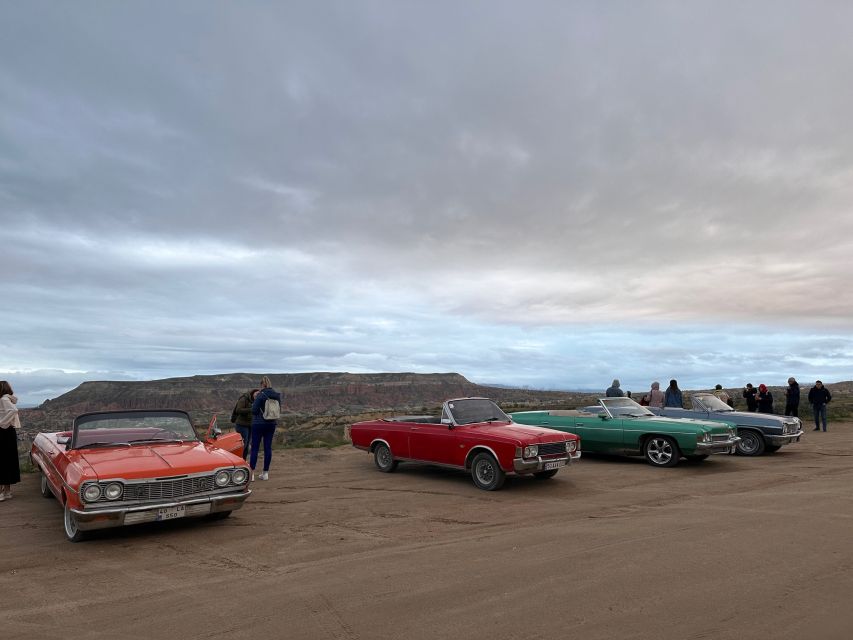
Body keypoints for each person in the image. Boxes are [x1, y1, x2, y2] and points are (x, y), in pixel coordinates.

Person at [250, 376, 282, 480]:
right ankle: (265, 473)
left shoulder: (261, 395)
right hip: (271, 424)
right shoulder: (276, 395)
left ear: (263, 384)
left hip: (258, 424)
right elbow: (278, 410)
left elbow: (254, 410)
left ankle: (252, 474)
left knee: (255, 448)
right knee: (267, 448)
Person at [0, 380, 22, 502]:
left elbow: (13, 411)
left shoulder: (3, 399)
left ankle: (1, 493)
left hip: (3, 433)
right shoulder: (7, 399)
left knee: (2, 461)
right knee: (7, 461)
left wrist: (1, 424)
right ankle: (7, 492)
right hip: (8, 433)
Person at [232, 388, 258, 461]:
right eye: (256, 393)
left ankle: (243, 460)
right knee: (243, 444)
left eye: (259, 394)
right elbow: (238, 410)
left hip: (250, 425)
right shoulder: (244, 399)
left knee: (247, 445)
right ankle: (238, 460)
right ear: (253, 393)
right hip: (241, 425)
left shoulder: (256, 401)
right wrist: (251, 409)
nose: (257, 395)